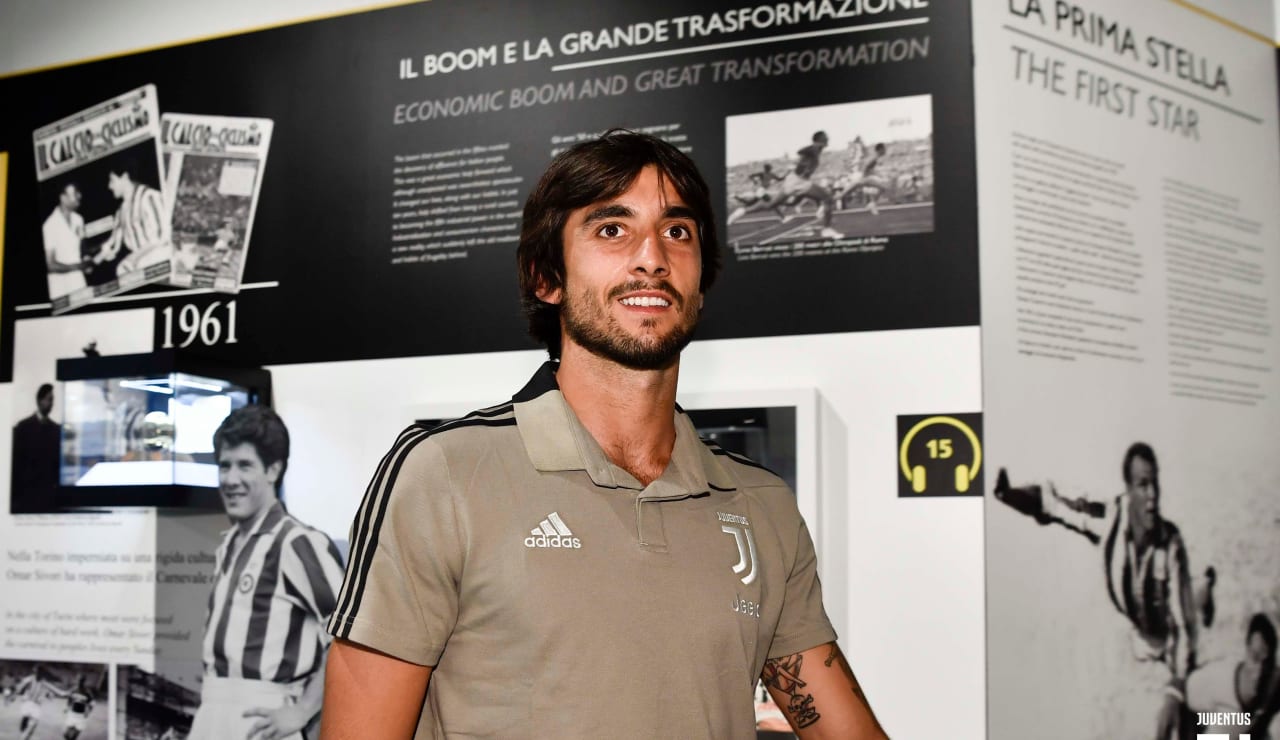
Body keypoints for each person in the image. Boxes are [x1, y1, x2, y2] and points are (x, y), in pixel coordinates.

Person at [321, 129, 887, 739]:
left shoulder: (762, 504)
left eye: (678, 231)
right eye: (612, 229)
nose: (652, 258)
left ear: (701, 281)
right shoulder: (444, 473)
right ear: (547, 278)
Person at [994, 442, 1216, 740]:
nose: (1152, 495)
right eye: (1143, 485)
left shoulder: (1170, 543)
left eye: (1155, 484)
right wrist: (1011, 495)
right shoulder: (1108, 522)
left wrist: (1176, 689)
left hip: (1174, 630)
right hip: (1146, 638)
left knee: (1201, 720)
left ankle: (1205, 585)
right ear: (1129, 489)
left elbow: (1183, 628)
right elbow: (1054, 502)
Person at [188, 405, 345, 740]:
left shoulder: (297, 542)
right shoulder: (229, 543)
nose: (230, 479)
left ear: (274, 469)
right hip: (214, 711)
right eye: (224, 465)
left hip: (265, 717)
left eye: (244, 465)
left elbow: (349, 635)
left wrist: (302, 710)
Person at [1184, 613, 1280, 739]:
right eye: (1255, 658)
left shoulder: (1273, 682)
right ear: (1247, 651)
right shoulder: (1219, 678)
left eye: (1266, 663)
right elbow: (1184, 689)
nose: (1259, 671)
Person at [93, 161, 171, 278]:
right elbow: (113, 244)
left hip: (159, 259)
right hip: (139, 264)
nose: (110, 186)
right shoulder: (121, 211)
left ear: (125, 177)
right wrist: (95, 259)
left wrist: (133, 258)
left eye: (112, 180)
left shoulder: (149, 196)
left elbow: (163, 236)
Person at [11, 383, 62, 513]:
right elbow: (16, 463)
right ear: (40, 400)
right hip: (27, 494)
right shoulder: (23, 427)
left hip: (48, 494)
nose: (51, 404)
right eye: (49, 399)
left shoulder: (56, 429)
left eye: (52, 400)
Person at [42, 183, 88, 300]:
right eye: (75, 193)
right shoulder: (49, 225)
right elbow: (50, 265)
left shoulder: (79, 219)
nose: (79, 195)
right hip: (59, 287)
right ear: (63, 198)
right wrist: (77, 267)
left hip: (79, 282)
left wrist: (86, 259)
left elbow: (82, 249)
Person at [15, 666, 45, 740]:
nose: (38, 674)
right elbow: (19, 689)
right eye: (37, 672)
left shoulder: (43, 682)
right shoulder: (29, 679)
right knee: (24, 724)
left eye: (40, 673)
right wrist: (20, 691)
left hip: (36, 705)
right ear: (34, 672)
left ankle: (25, 737)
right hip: (27, 703)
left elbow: (52, 690)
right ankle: (23, 735)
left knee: (34, 723)